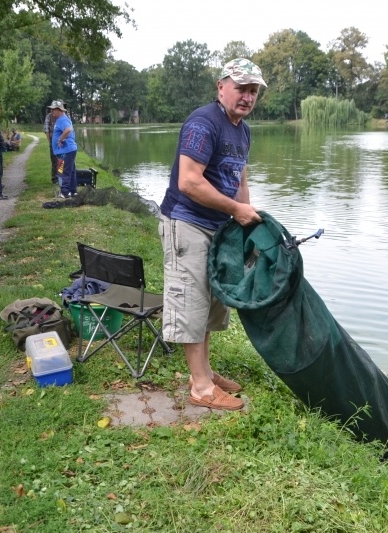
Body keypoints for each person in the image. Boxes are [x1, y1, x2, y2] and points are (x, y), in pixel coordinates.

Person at [158, 58, 266, 410]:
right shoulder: (204, 122)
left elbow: (240, 178)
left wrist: (245, 222)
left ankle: (202, 371)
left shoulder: (243, 129)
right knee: (191, 303)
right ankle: (202, 389)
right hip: (187, 222)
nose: (248, 97)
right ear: (221, 87)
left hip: (219, 227)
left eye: (254, 91)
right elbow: (188, 181)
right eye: (241, 88)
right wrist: (235, 210)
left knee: (210, 303)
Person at [49, 100, 77, 198]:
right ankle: (73, 191)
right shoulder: (62, 119)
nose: (52, 112)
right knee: (70, 170)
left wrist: (60, 139)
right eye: (51, 110)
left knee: (64, 171)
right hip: (65, 151)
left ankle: (65, 193)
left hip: (65, 151)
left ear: (60, 110)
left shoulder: (62, 119)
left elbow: (68, 129)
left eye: (53, 110)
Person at [43, 106, 57, 182]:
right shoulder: (49, 116)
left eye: (54, 109)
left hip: (62, 142)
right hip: (53, 140)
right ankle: (55, 177)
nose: (52, 110)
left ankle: (60, 176)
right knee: (54, 159)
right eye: (51, 109)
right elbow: (46, 129)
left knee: (61, 160)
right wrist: (50, 142)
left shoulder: (64, 116)